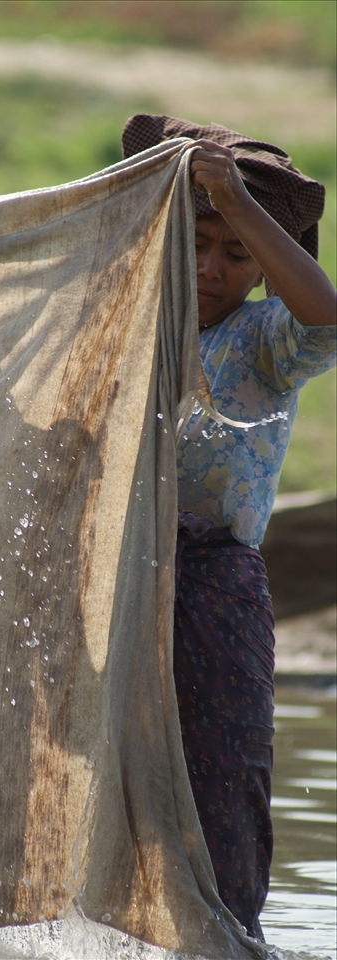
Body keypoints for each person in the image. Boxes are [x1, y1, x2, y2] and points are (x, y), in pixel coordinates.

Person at [122, 115, 337, 941]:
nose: (210, 267)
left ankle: (225, 938)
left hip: (211, 586)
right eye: (196, 241)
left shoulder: (264, 342)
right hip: (111, 577)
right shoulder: (125, 324)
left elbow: (327, 319)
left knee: (221, 784)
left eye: (236, 253)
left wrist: (237, 200)